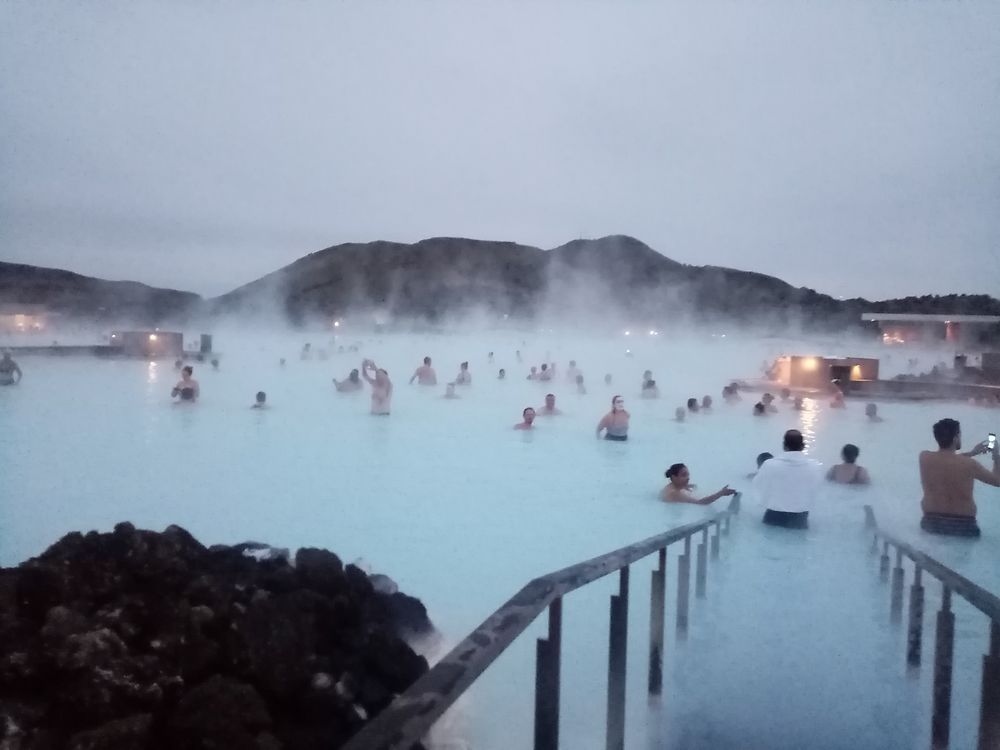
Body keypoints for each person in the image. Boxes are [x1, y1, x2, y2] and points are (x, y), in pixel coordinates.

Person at [919, 418, 1000, 537]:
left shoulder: (924, 457)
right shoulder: (969, 464)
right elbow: (997, 481)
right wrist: (996, 455)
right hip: (963, 526)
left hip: (931, 523)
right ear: (956, 437)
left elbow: (946, 461)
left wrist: (972, 453)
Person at [752, 429, 823, 529]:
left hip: (773, 515)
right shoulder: (814, 466)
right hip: (800, 519)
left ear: (784, 446)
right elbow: (816, 489)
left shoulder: (769, 465)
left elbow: (758, 485)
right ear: (803, 446)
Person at [660, 463, 737, 505]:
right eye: (684, 475)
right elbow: (701, 503)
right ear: (674, 477)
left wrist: (686, 486)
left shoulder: (672, 487)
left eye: (688, 475)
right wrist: (721, 493)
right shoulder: (674, 493)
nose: (688, 478)